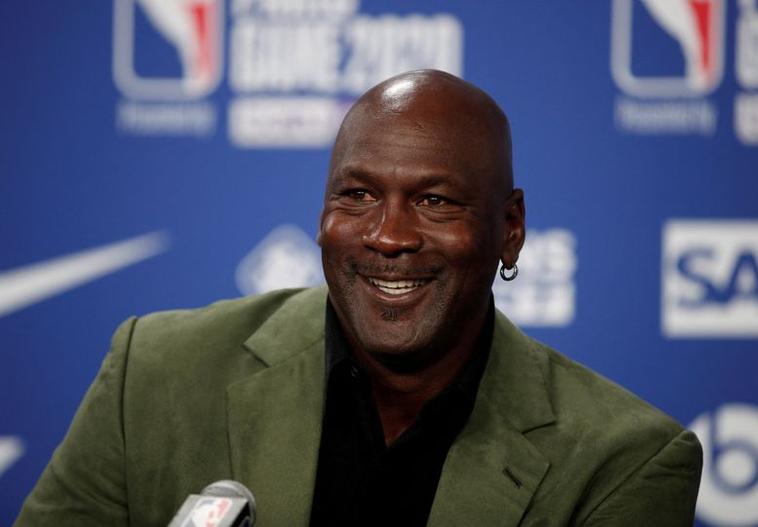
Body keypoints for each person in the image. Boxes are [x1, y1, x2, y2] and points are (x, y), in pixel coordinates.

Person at [15, 70, 702, 526]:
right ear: (323, 212)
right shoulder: (154, 374)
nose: (388, 235)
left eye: (434, 201)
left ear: (510, 230)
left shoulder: (625, 460)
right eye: (359, 194)